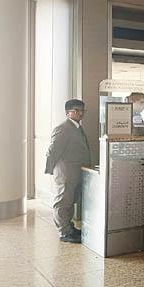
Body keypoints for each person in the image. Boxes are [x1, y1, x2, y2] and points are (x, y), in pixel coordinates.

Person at [45, 99, 91, 243]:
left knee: (70, 201)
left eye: (82, 110)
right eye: (76, 110)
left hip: (76, 171)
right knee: (63, 201)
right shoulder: (63, 128)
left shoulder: (77, 127)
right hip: (66, 172)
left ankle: (68, 227)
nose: (79, 113)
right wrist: (51, 170)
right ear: (67, 112)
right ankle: (64, 232)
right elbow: (52, 151)